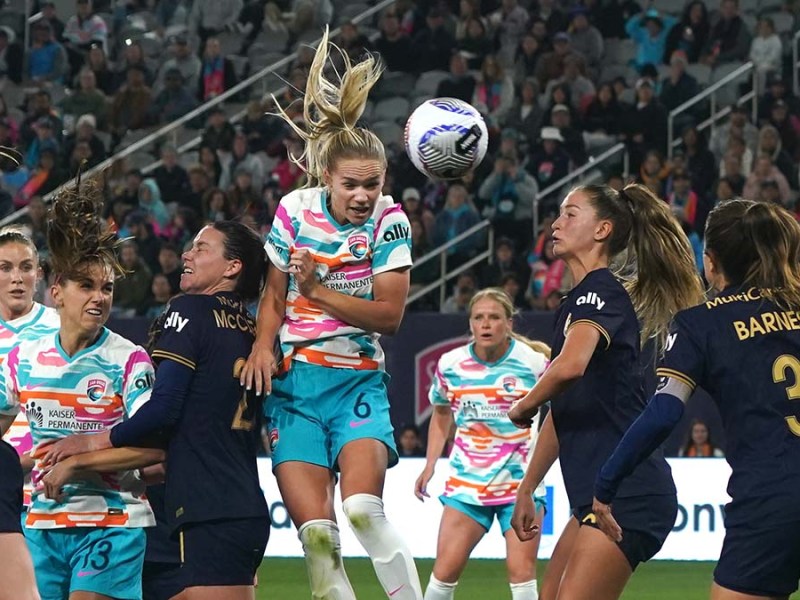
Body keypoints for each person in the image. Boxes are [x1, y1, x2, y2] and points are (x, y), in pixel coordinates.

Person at [240, 27, 423, 600]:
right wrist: (263, 345)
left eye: (374, 183)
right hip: (294, 385)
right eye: (353, 185)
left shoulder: (390, 222)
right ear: (327, 179)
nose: (364, 195)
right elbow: (273, 295)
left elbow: (389, 315)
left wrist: (317, 292)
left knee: (365, 511)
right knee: (318, 539)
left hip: (356, 380)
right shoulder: (294, 209)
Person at [41, 220, 271, 600]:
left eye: (201, 248)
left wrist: (93, 441)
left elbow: (163, 409)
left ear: (232, 267)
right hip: (237, 502)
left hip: (208, 506)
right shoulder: (253, 330)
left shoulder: (189, 310)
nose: (187, 254)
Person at [592, 198, 800, 600]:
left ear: (711, 260)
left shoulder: (700, 323)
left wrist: (606, 482)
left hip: (773, 495)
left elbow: (664, 412)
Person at [507, 183, 704, 600]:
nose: (556, 223)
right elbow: (565, 410)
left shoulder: (599, 293)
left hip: (630, 492)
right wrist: (528, 486)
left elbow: (570, 367)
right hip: (596, 496)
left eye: (570, 213)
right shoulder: (579, 300)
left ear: (603, 230)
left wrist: (523, 405)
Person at [0, 181, 163, 600]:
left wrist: (77, 463)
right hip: (40, 526)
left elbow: (155, 448)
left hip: (113, 523)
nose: (98, 298)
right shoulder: (22, 359)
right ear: (57, 293)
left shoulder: (129, 360)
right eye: (86, 286)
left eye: (106, 288)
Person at [416, 288, 550, 600]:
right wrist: (430, 464)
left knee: (522, 579)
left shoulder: (533, 363)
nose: (486, 324)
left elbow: (562, 409)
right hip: (467, 484)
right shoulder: (451, 365)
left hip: (521, 488)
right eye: (479, 318)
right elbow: (440, 411)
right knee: (442, 576)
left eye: (494, 317)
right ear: (471, 324)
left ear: (509, 323)